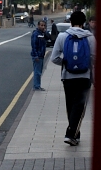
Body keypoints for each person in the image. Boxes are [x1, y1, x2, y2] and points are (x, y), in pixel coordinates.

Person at [50, 9, 96, 146]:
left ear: (71, 22)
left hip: (68, 77)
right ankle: (71, 134)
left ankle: (75, 134)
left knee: (70, 106)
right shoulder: (90, 37)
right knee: (80, 107)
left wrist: (66, 63)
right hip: (84, 77)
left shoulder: (62, 36)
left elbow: (54, 58)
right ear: (84, 23)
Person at [30, 19, 48, 90]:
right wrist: (35, 55)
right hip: (37, 56)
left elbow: (49, 37)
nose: (43, 27)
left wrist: (45, 32)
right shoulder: (36, 34)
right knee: (37, 72)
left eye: (44, 25)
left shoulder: (42, 33)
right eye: (41, 25)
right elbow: (34, 46)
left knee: (39, 71)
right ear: (38, 26)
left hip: (41, 55)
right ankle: (36, 86)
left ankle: (38, 85)